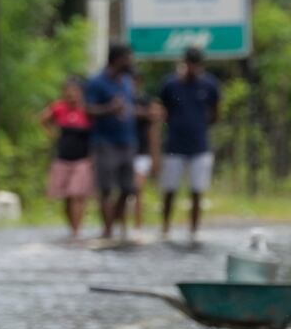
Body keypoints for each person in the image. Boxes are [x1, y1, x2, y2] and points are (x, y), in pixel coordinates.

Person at [159, 47, 222, 241]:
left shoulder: (209, 85)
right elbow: (163, 110)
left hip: (199, 145)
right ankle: (166, 227)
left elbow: (216, 112)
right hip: (174, 144)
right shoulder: (171, 84)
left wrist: (200, 124)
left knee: (197, 190)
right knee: (170, 188)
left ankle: (194, 229)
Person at [84, 43, 138, 240]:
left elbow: (130, 108)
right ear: (117, 59)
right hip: (105, 141)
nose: (131, 61)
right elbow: (88, 109)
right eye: (128, 57)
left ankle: (117, 222)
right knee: (106, 188)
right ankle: (108, 230)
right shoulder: (96, 82)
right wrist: (109, 109)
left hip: (127, 140)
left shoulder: (126, 81)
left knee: (128, 188)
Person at [38, 76, 93, 240]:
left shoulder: (87, 110)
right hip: (63, 157)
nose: (72, 96)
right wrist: (52, 134)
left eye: (75, 92)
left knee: (77, 194)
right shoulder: (59, 108)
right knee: (66, 196)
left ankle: (77, 231)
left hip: (82, 158)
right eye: (68, 92)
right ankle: (72, 228)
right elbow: (43, 119)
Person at [129, 73, 160, 233]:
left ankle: (138, 226)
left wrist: (155, 156)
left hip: (142, 152)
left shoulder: (146, 101)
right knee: (121, 191)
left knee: (137, 189)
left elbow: (153, 129)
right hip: (123, 150)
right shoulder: (119, 99)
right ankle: (119, 228)